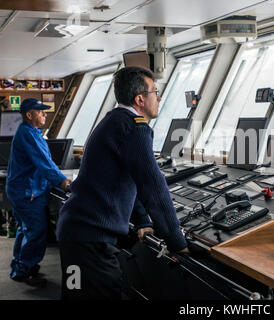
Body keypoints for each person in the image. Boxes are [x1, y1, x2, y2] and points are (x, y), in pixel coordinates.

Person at [56, 66, 189, 300]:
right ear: (140, 99)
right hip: (92, 241)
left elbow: (129, 179)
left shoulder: (114, 120)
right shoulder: (135, 129)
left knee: (76, 294)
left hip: (75, 235)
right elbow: (153, 188)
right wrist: (177, 242)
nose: (159, 98)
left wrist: (142, 221)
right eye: (155, 92)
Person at [6, 98, 71, 287]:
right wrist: (63, 181)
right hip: (27, 192)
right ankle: (26, 270)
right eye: (40, 111)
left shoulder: (31, 132)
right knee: (35, 231)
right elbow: (44, 163)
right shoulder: (29, 134)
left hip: (22, 189)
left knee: (24, 229)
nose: (44, 114)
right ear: (29, 115)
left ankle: (19, 268)